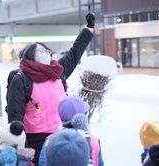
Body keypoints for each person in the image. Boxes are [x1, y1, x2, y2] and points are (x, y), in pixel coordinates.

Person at [6, 12, 95, 165]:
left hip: (60, 135)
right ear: (29, 56)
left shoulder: (57, 72)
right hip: (35, 140)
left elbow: (75, 53)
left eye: (47, 51)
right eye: (40, 50)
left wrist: (88, 29)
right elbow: (15, 117)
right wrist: (22, 148)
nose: (46, 53)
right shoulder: (21, 79)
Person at [39, 96, 104, 166]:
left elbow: (42, 163)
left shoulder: (50, 141)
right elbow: (100, 163)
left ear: (61, 117)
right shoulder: (93, 140)